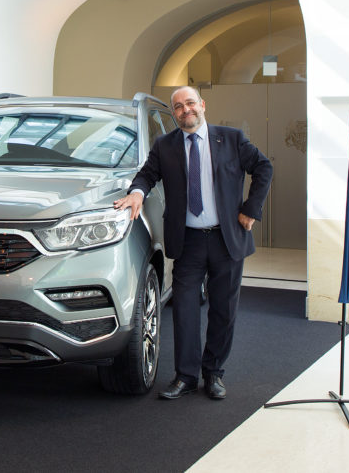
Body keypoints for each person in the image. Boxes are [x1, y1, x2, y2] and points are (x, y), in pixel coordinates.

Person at [115, 86, 272, 400]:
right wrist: (136, 193)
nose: (185, 110)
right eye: (178, 107)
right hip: (188, 242)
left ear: (202, 105)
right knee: (185, 310)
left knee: (223, 310)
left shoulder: (231, 139)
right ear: (174, 114)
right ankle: (185, 377)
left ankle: (213, 373)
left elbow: (263, 168)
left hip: (227, 239)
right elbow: (147, 175)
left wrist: (250, 209)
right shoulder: (165, 146)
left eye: (190, 103)